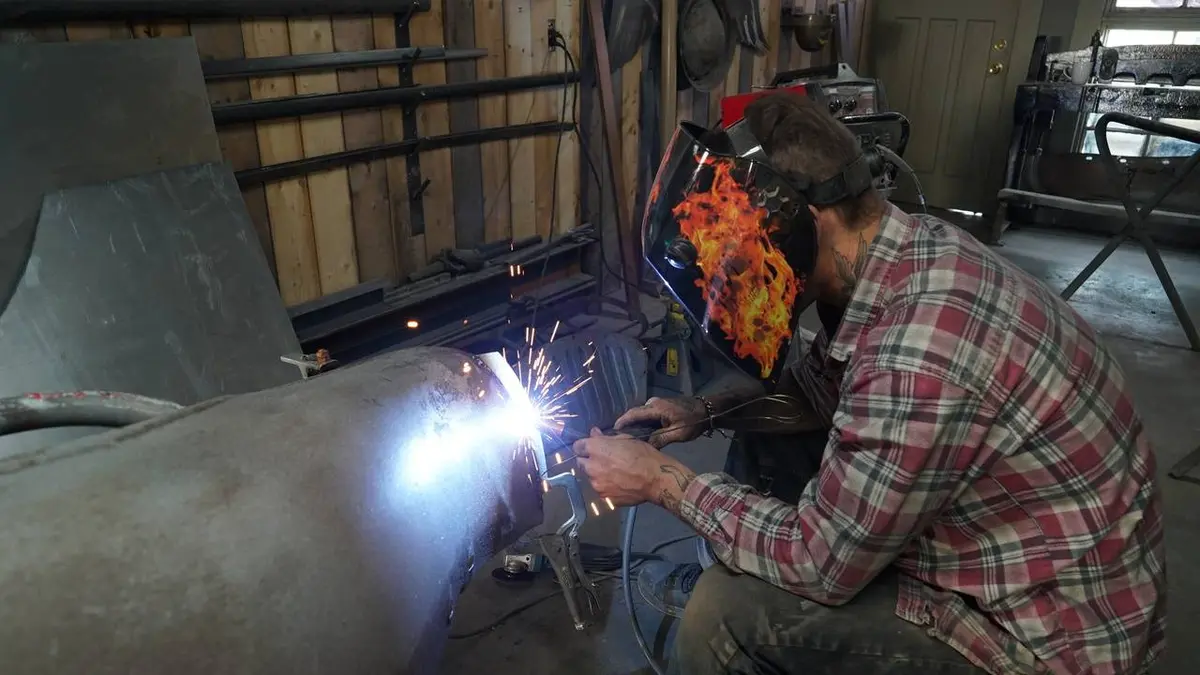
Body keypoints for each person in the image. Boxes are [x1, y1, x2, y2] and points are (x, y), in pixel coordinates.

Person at [573, 91, 1166, 675]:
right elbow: (817, 392)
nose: (732, 266)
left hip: (1046, 641)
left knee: (723, 614)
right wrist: (704, 411)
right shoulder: (907, 251)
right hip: (1018, 550)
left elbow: (819, 562)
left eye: (739, 243)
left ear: (799, 225)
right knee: (769, 442)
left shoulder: (917, 347)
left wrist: (662, 481)